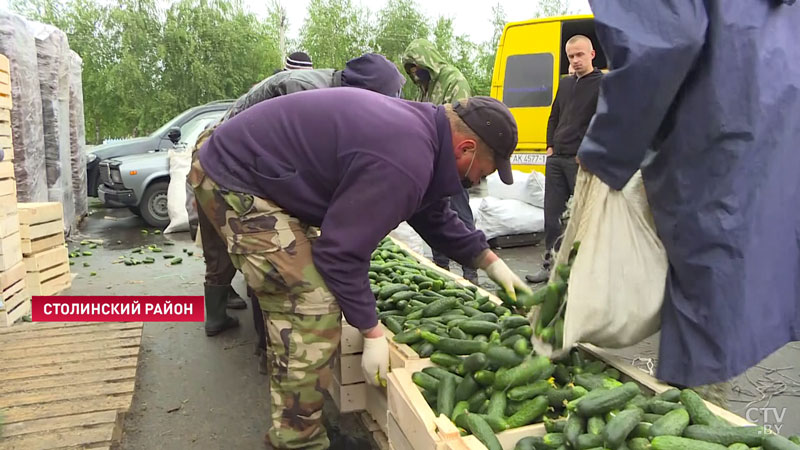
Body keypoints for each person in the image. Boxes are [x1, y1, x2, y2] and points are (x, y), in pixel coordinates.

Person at [190, 89, 531, 449]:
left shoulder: (422, 137)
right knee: (310, 306)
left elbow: (431, 213)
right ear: (466, 149)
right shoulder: (406, 157)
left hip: (253, 170)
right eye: (485, 171)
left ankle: (299, 420)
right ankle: (297, 440)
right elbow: (340, 253)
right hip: (235, 178)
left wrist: (489, 262)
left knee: (303, 298)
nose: (479, 181)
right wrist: (371, 332)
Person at [577, 0, 800, 397]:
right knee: (733, 297)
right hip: (769, 139)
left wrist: (605, 149)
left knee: (702, 332)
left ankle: (698, 413)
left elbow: (663, 40)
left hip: (713, 146)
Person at [189, 53, 405, 361]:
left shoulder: (335, 92)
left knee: (241, 248)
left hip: (240, 158)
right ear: (363, 93)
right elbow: (292, 163)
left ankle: (221, 315)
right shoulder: (306, 92)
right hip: (226, 157)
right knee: (265, 252)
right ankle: (257, 341)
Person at [526, 35, 602, 283]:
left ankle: (582, 272)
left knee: (583, 218)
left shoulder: (603, 83)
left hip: (581, 162)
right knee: (552, 218)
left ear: (592, 54)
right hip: (557, 159)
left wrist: (588, 152)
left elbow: (603, 123)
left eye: (580, 54)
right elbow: (553, 116)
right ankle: (550, 267)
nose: (576, 60)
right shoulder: (566, 84)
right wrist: (549, 146)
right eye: (571, 56)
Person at [402, 39, 479, 284]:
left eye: (417, 66)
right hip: (431, 163)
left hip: (452, 161)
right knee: (434, 212)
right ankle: (441, 267)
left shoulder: (453, 80)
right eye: (410, 69)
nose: (415, 72)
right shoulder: (425, 85)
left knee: (459, 212)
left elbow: (461, 122)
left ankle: (471, 271)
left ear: (427, 60)